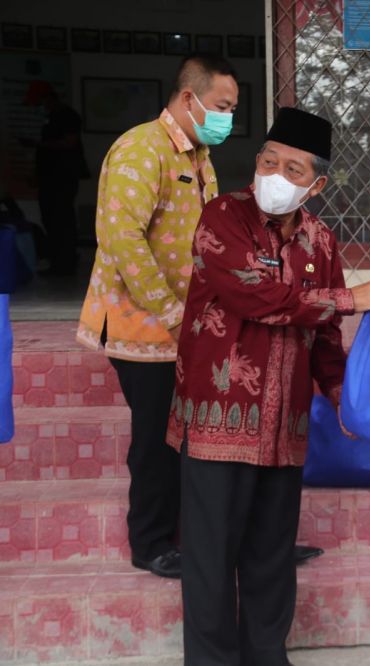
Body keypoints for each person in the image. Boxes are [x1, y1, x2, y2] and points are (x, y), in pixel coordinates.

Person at [166, 107, 370, 665]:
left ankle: (267, 656)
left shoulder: (321, 240)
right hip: (219, 416)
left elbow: (323, 334)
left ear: (316, 184)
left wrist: (342, 392)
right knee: (211, 556)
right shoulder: (221, 217)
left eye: (292, 169)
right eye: (269, 161)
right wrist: (350, 297)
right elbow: (256, 296)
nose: (274, 175)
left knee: (271, 554)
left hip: (283, 425)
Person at [77, 54, 238, 579]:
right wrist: (171, 314)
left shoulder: (199, 154)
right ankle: (149, 543)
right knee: (155, 437)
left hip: (180, 327)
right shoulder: (141, 149)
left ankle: (184, 535)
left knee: (180, 436)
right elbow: (122, 241)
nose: (227, 117)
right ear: (189, 98)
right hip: (140, 325)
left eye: (232, 108)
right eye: (221, 106)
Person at [23, 81, 87, 274]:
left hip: (62, 178)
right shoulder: (51, 118)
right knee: (50, 218)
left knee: (61, 219)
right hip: (49, 178)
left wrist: (39, 144)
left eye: (40, 102)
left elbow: (69, 143)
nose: (39, 107)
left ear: (49, 98)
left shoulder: (67, 116)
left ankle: (65, 263)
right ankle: (58, 261)